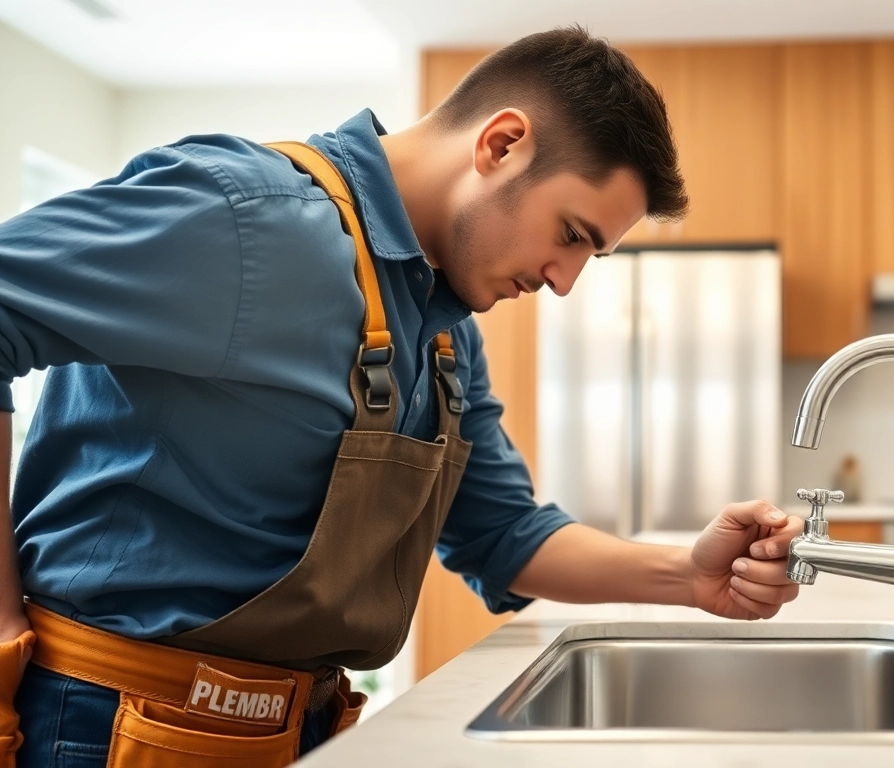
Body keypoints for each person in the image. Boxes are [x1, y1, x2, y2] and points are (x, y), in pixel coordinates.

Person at [0, 26, 803, 766]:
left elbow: (503, 535)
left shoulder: (447, 333)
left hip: (297, 731)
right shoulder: (250, 221)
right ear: (502, 144)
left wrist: (690, 577)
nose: (565, 282)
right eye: (571, 235)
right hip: (108, 726)